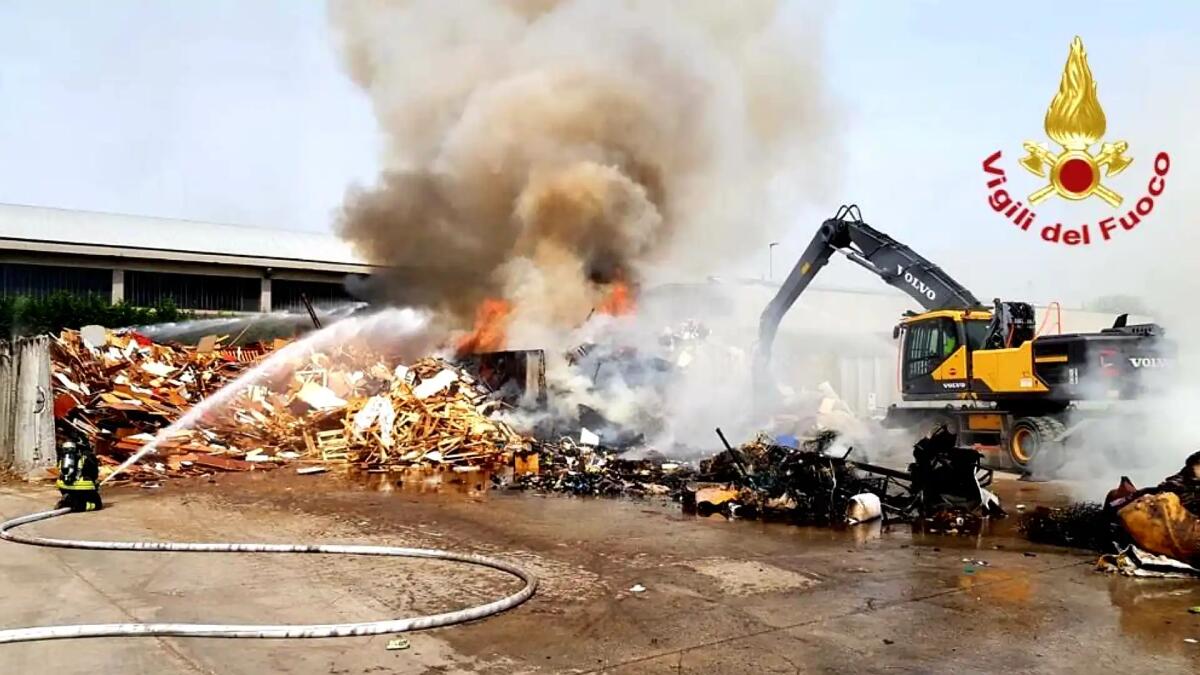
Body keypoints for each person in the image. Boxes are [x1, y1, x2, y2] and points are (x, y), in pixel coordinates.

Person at [55, 437, 102, 512]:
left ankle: (67, 499)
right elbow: (94, 473)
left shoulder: (64, 454)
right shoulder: (87, 455)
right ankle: (80, 506)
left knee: (74, 493)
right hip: (81, 487)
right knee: (97, 504)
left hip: (63, 485)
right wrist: (95, 483)